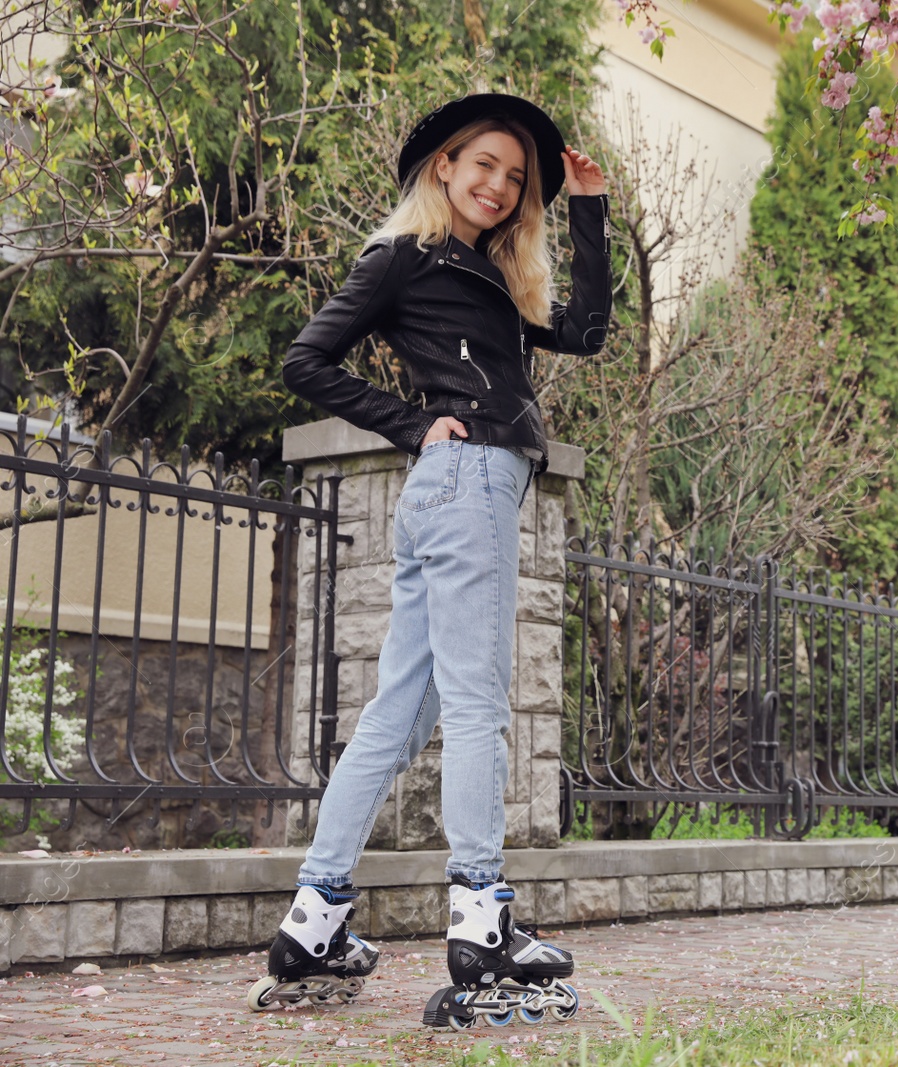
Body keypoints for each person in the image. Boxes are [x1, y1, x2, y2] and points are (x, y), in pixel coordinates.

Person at [245, 93, 611, 1030]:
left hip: (455, 493)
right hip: (466, 482)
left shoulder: (484, 275)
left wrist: (586, 208)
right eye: (482, 164)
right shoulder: (403, 256)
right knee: (482, 705)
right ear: (443, 165)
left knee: (397, 721)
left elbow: (586, 332)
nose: (497, 184)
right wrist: (414, 424)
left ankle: (313, 920)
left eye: (516, 177)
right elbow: (307, 358)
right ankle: (482, 919)